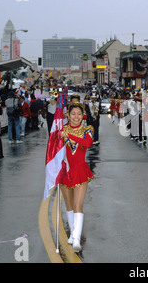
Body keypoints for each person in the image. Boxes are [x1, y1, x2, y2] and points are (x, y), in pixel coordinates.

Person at [59, 102, 94, 252]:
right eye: (73, 114)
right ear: (68, 115)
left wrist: (70, 135)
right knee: (69, 206)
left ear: (83, 116)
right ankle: (73, 234)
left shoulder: (87, 130)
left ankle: (76, 240)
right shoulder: (61, 130)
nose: (76, 117)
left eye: (79, 114)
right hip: (66, 171)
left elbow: (87, 143)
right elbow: (53, 151)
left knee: (78, 205)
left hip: (80, 171)